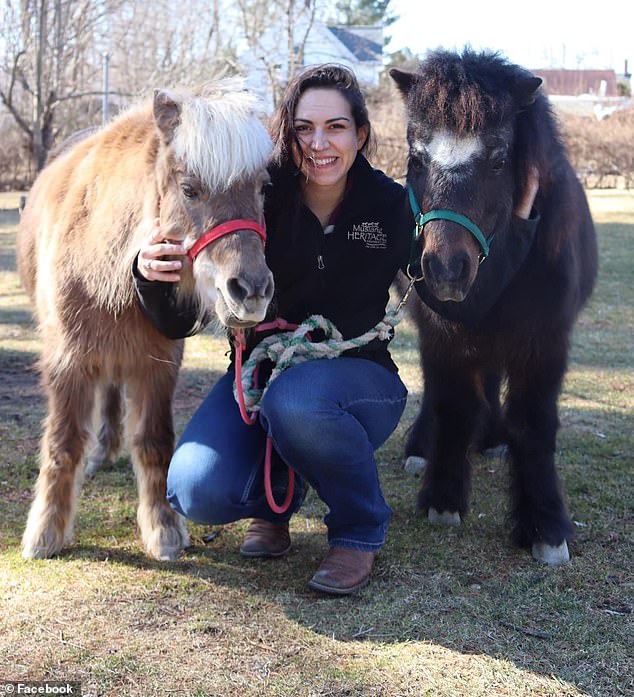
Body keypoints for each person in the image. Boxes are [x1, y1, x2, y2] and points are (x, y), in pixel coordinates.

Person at [133, 64, 539, 595]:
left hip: (360, 385)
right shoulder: (259, 197)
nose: (319, 143)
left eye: (336, 127)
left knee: (297, 403)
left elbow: (457, 306)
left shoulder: (391, 207)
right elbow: (177, 321)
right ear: (288, 133)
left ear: (361, 134)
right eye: (304, 128)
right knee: (194, 488)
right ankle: (274, 499)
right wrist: (150, 276)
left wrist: (522, 224)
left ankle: (358, 530)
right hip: (261, 380)